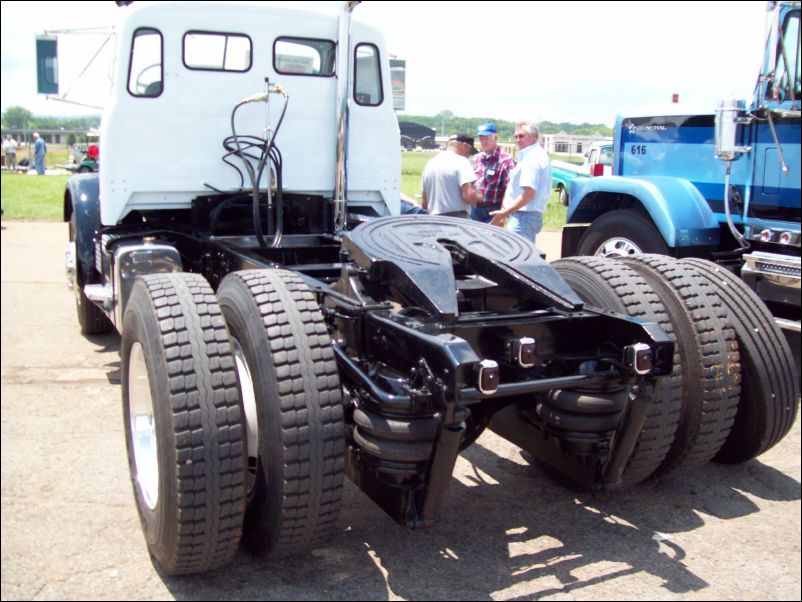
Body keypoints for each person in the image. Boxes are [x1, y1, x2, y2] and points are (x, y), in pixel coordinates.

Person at [489, 121, 552, 243]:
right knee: (525, 257)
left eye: (522, 136)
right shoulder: (535, 155)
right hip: (526, 217)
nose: (518, 140)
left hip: (524, 217)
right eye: (516, 136)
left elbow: (528, 194)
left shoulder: (532, 159)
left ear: (534, 137)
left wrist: (504, 213)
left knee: (514, 257)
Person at [421, 133, 477, 218]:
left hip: (433, 219)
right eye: (470, 151)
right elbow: (469, 197)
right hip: (457, 219)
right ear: (464, 145)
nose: (469, 155)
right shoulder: (462, 162)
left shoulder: (430, 164)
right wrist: (479, 197)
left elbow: (424, 203)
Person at [470, 123, 514, 223]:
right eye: (481, 138)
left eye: (487, 138)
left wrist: (502, 213)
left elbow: (510, 189)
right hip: (474, 210)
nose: (484, 141)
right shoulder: (477, 159)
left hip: (492, 211)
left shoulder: (505, 160)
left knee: (490, 238)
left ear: (495, 137)